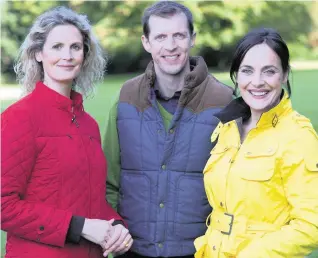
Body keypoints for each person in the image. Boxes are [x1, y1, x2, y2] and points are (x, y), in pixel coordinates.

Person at [103, 1, 233, 258]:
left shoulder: (223, 101)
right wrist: (114, 228)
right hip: (133, 250)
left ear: (192, 38)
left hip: (200, 251)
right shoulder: (126, 98)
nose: (170, 46)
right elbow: (108, 182)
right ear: (146, 42)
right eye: (160, 36)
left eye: (178, 35)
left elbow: (236, 188)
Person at [1, 6, 133, 258]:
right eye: (57, 46)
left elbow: (91, 198)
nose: (68, 55)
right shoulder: (19, 118)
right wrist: (80, 227)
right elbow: (3, 205)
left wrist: (116, 226)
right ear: (39, 53)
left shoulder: (89, 124)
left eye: (75, 47)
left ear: (84, 55)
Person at [194, 27, 318, 258]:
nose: (257, 82)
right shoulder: (227, 127)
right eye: (247, 71)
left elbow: (312, 224)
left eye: (269, 71)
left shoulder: (298, 136)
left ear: (284, 75)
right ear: (237, 76)